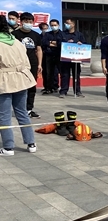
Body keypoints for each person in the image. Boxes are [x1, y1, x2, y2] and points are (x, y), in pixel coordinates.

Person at [0, 15, 37, 155]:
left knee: (4, 115)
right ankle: (31, 143)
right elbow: (26, 62)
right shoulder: (16, 41)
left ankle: (8, 147)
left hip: (3, 80)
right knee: (22, 112)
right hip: (21, 79)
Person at [12, 12, 42, 117]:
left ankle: (29, 109)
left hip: (33, 63)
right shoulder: (15, 35)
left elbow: (39, 50)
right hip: (20, 64)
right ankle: (20, 108)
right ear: (21, 22)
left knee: (32, 86)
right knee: (20, 87)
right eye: (26, 21)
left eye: (30, 22)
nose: (28, 23)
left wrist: (40, 64)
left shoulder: (36, 35)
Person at [59, 18, 85, 98]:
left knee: (76, 75)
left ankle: (77, 91)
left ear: (73, 24)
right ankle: (63, 91)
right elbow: (59, 43)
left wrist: (80, 44)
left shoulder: (79, 34)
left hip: (76, 59)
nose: (66, 25)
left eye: (68, 23)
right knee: (65, 75)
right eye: (66, 23)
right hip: (65, 58)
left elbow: (85, 44)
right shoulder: (62, 34)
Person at [41, 19, 62, 94]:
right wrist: (54, 43)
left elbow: (61, 43)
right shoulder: (47, 34)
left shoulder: (62, 34)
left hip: (59, 55)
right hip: (49, 55)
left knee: (60, 72)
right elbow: (44, 42)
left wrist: (51, 43)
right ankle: (48, 88)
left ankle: (58, 87)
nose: (53, 26)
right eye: (52, 25)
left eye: (55, 25)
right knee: (49, 72)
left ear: (58, 25)